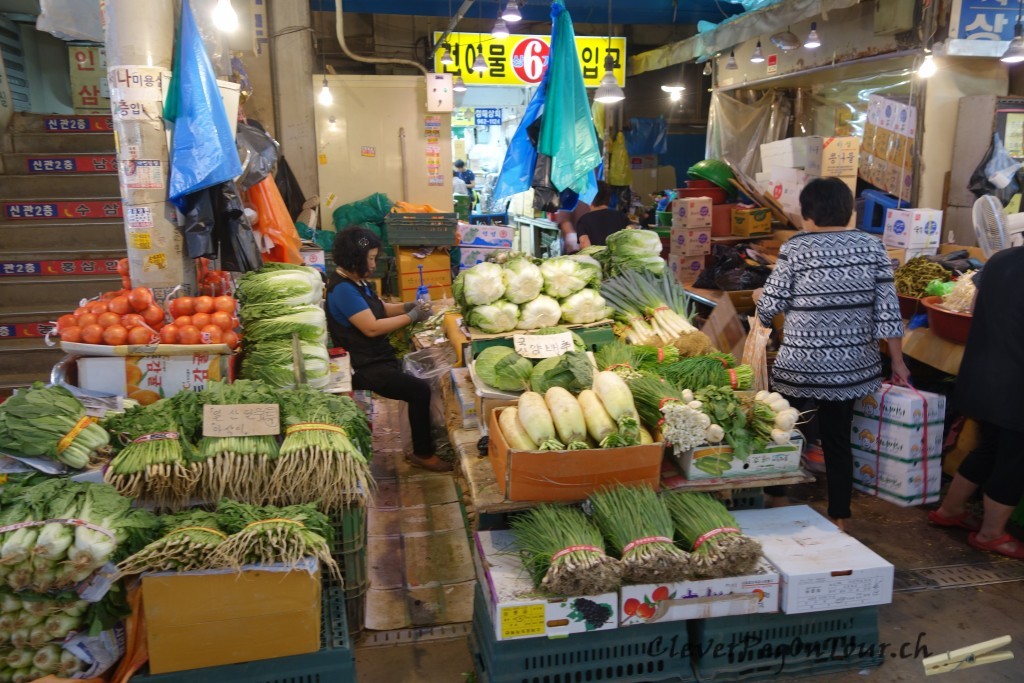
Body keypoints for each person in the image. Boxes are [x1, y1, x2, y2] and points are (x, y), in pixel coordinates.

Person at [753, 177, 910, 531]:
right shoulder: (873, 248)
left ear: (808, 214)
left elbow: (772, 304)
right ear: (849, 211)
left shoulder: (796, 248)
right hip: (850, 368)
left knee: (786, 430)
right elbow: (888, 311)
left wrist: (759, 305)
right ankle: (840, 516)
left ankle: (776, 495)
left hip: (800, 364)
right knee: (839, 439)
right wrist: (898, 362)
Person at [326, 227, 452, 472]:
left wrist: (408, 306)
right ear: (355, 258)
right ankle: (422, 454)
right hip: (363, 366)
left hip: (376, 358)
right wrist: (412, 316)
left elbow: (380, 309)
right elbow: (372, 327)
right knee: (419, 390)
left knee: (419, 381)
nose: (373, 264)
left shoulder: (357, 282)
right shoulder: (342, 289)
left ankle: (422, 442)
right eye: (370, 258)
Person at [928, 248, 1024, 559]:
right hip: (1015, 384)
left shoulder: (1001, 259)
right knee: (1014, 460)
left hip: (983, 373)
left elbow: (975, 302)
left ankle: (950, 509)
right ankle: (990, 533)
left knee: (989, 445)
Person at [575, 181, 632, 248]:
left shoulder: (583, 220)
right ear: (609, 198)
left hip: (594, 257)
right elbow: (631, 234)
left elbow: (584, 242)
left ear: (591, 198)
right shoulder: (621, 216)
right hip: (618, 257)